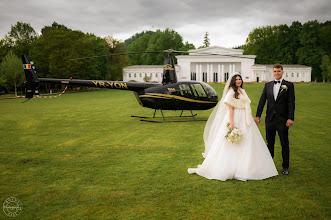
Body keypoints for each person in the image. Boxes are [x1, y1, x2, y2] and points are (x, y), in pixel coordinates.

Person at [188, 73, 278, 181]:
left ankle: (247, 167)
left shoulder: (242, 91)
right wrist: (231, 123)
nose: (239, 81)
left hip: (245, 117)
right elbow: (231, 109)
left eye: (240, 79)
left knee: (248, 140)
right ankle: (230, 167)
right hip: (236, 117)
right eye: (237, 79)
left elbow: (245, 107)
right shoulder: (231, 92)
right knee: (233, 143)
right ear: (233, 81)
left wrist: (251, 117)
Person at [254, 64, 295, 175]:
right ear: (273, 72)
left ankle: (285, 167)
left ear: (282, 72)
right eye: (275, 71)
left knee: (284, 144)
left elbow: (291, 103)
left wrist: (290, 118)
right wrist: (258, 116)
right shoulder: (268, 85)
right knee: (269, 143)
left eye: (278, 71)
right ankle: (269, 166)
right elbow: (262, 101)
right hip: (270, 120)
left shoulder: (289, 85)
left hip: (283, 120)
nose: (277, 73)